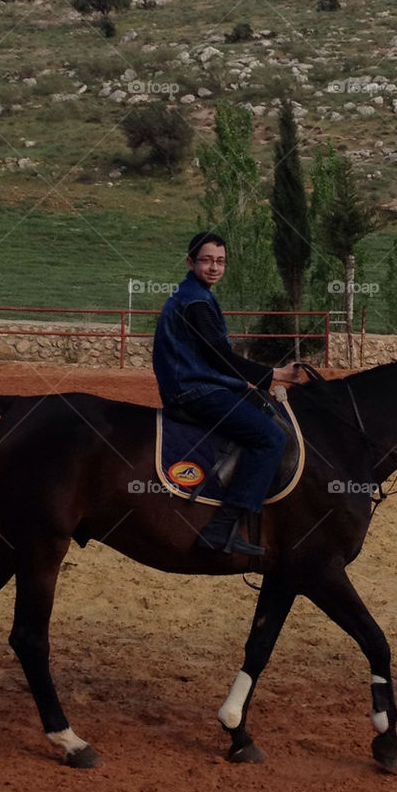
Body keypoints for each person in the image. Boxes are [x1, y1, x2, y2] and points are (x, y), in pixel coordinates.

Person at [152, 231, 300, 557]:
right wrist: (275, 374)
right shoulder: (195, 302)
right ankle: (221, 528)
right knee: (271, 438)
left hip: (198, 385)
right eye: (206, 260)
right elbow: (220, 356)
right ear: (191, 262)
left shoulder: (195, 295)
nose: (214, 267)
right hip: (196, 391)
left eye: (220, 261)